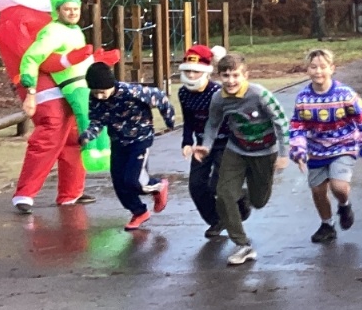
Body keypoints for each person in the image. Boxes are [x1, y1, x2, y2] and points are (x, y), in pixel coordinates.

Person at [195, 53, 291, 265]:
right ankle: (242, 244)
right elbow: (213, 123)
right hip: (236, 149)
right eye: (225, 76)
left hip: (264, 152)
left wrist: (284, 154)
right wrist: (206, 146)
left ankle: (244, 195)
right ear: (219, 76)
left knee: (259, 201)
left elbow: (281, 122)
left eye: (235, 75)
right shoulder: (219, 98)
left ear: (245, 75)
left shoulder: (259, 94)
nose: (230, 81)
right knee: (223, 195)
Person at [11, 0, 94, 212]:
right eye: (67, 9)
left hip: (76, 92)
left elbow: (80, 61)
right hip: (55, 91)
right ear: (57, 10)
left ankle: (71, 192)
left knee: (75, 140)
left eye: (75, 8)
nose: (73, 12)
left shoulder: (75, 30)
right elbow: (32, 57)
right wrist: (30, 89)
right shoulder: (53, 31)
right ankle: (25, 193)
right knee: (49, 137)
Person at [289, 48, 362, 244]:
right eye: (313, 67)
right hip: (316, 149)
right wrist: (298, 150)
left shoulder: (345, 93)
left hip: (343, 145)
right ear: (307, 70)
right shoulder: (303, 98)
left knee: (338, 186)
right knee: (318, 190)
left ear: (332, 68)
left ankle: (344, 204)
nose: (318, 71)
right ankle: (327, 225)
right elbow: (297, 126)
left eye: (323, 67)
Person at [85, 60, 175, 231]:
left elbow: (160, 97)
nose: (99, 96)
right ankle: (139, 211)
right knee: (119, 183)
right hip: (118, 142)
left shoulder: (132, 92)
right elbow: (97, 119)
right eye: (95, 92)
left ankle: (158, 185)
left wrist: (169, 119)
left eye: (102, 92)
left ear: (111, 85)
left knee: (133, 180)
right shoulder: (94, 98)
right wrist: (88, 135)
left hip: (140, 140)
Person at [177, 43, 246, 239]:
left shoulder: (218, 93)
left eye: (196, 71)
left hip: (225, 143)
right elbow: (188, 120)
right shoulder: (183, 93)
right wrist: (186, 142)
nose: (191, 76)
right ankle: (216, 220)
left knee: (218, 185)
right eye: (188, 71)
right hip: (201, 144)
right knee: (196, 186)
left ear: (206, 72)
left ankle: (242, 198)